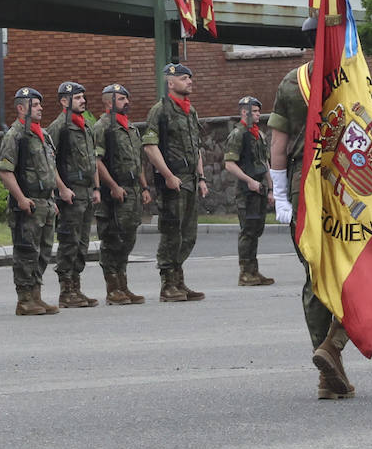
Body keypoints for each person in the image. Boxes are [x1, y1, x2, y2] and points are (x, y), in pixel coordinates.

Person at [268, 15, 354, 400]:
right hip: (349, 186)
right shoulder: (352, 77)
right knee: (363, 269)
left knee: (316, 275)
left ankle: (327, 374)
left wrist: (281, 194)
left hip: (306, 188)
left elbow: (278, 145)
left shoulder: (291, 82)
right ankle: (333, 345)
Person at [142, 63, 209, 302]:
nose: (189, 81)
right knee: (171, 233)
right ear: (171, 83)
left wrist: (201, 177)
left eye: (190, 78)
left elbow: (196, 147)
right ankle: (167, 284)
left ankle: (179, 280)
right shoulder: (160, 111)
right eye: (184, 78)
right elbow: (150, 146)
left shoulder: (191, 112)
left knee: (188, 234)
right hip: (173, 183)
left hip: (191, 181)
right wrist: (168, 175)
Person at [0, 86, 63, 316]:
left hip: (45, 202)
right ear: (21, 108)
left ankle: (36, 295)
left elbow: (50, 169)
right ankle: (24, 299)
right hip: (28, 202)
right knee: (26, 251)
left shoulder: (42, 134)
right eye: (35, 105)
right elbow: (5, 170)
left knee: (43, 252)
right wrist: (21, 198)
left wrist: (54, 197)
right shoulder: (15, 135)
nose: (40, 108)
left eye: (39, 104)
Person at [93, 83, 149, 304]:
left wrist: (144, 187)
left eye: (127, 99)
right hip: (113, 194)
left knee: (128, 237)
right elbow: (96, 161)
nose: (127, 103)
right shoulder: (102, 127)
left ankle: (123, 285)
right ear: (109, 103)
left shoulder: (131, 128)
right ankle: (112, 287)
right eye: (121, 99)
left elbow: (138, 161)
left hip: (132, 191)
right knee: (112, 238)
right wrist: (113, 186)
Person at [47, 81, 102, 306]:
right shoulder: (59, 127)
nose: (83, 101)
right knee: (69, 241)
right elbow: (50, 162)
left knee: (82, 242)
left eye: (83, 97)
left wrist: (96, 188)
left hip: (86, 191)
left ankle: (76, 287)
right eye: (77, 98)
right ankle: (66, 290)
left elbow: (92, 160)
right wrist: (61, 188)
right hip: (70, 191)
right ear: (64, 101)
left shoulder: (86, 126)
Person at [222, 95, 275, 286]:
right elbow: (229, 164)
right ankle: (245, 273)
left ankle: (254, 271)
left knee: (256, 229)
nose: (258, 114)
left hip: (259, 188)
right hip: (246, 190)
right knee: (247, 231)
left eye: (259, 111)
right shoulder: (238, 134)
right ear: (244, 112)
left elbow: (265, 162)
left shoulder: (258, 135)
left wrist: (270, 189)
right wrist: (249, 181)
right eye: (254, 111)